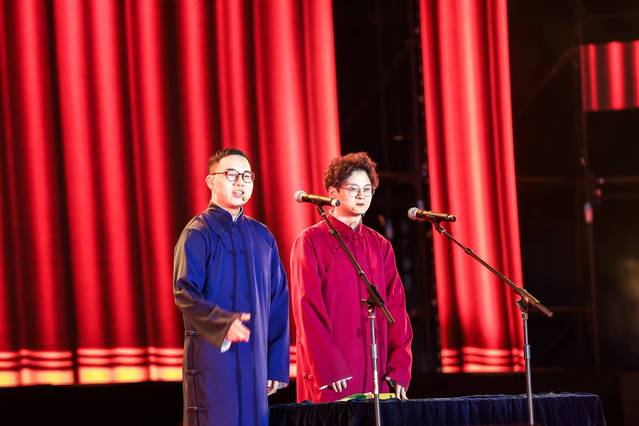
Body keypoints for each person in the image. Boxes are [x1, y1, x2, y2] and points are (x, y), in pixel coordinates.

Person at [173, 148, 289, 426]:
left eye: (247, 176)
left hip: (255, 360)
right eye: (231, 174)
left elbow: (278, 300)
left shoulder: (262, 236)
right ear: (210, 181)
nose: (240, 182)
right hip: (213, 358)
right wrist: (223, 324)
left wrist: (274, 364)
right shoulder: (197, 232)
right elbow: (184, 292)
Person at [290, 152, 413, 403]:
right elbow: (307, 309)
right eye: (353, 189)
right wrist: (329, 366)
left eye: (367, 190)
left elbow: (397, 309)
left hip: (378, 373)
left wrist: (399, 368)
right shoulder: (311, 241)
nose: (362, 196)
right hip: (333, 376)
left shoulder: (380, 245)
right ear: (332, 193)